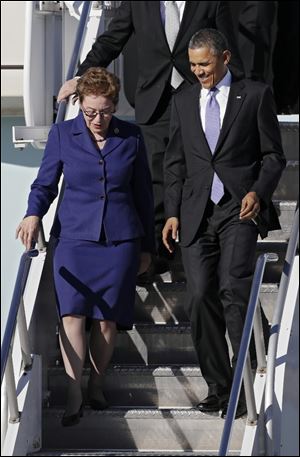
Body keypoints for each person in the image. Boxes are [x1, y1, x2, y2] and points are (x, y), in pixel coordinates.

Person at [57, 1, 245, 277]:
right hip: (153, 99)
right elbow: (112, 38)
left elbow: (227, 46)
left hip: (198, 98)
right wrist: (82, 75)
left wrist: (240, 95)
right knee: (155, 175)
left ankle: (199, 246)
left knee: (197, 172)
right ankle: (160, 251)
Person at [16, 67, 155, 426]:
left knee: (107, 321)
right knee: (72, 315)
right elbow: (44, 184)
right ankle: (74, 389)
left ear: (114, 105)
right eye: (90, 112)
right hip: (75, 240)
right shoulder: (64, 134)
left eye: (105, 111)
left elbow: (144, 194)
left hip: (120, 241)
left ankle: (97, 382)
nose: (97, 119)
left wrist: (147, 248)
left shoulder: (132, 137)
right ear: (80, 105)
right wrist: (33, 215)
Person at [162, 29, 286, 419]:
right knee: (200, 297)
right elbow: (175, 162)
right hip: (197, 211)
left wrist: (258, 192)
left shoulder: (255, 95)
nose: (198, 71)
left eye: (205, 64)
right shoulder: (182, 99)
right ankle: (221, 387)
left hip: (239, 208)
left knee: (233, 287)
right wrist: (171, 211)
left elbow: (273, 156)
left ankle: (250, 378)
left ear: (225, 58)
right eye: (194, 65)